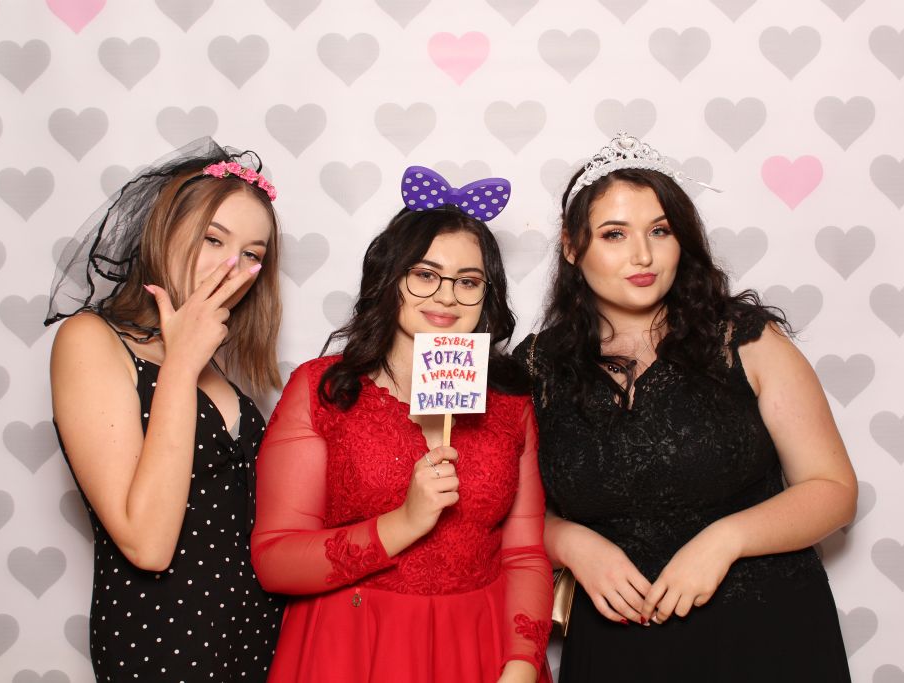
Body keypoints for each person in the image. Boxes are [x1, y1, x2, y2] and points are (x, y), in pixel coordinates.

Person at [513, 133, 857, 682]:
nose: (643, 255)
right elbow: (499, 511)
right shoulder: (536, 367)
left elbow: (833, 490)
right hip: (619, 645)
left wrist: (725, 540)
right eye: (615, 234)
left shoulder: (745, 340)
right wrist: (569, 542)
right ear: (572, 246)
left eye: (660, 230)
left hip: (766, 636)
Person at [251, 166, 553, 683]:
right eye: (425, 274)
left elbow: (525, 554)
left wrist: (521, 664)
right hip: (353, 648)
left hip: (477, 649)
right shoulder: (323, 389)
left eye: (468, 281)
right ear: (389, 279)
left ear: (487, 296)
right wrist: (405, 522)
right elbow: (275, 559)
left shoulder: (509, 404)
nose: (447, 296)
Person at [46, 138, 285, 681]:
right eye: (213, 238)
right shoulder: (91, 340)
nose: (232, 265)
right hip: (164, 645)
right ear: (164, 232)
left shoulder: (217, 368)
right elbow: (147, 544)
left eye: (252, 254)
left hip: (256, 642)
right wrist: (181, 363)